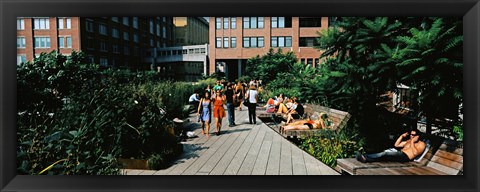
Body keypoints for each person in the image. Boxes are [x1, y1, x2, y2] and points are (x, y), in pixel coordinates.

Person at [355, 129, 427, 163]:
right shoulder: (409, 141)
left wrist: (412, 142)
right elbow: (396, 145)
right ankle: (365, 159)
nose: (411, 136)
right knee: (384, 156)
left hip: (405, 157)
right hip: (399, 153)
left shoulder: (421, 144)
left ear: (418, 136)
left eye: (413, 135)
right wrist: (402, 136)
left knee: (386, 154)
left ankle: (365, 156)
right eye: (411, 134)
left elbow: (414, 153)